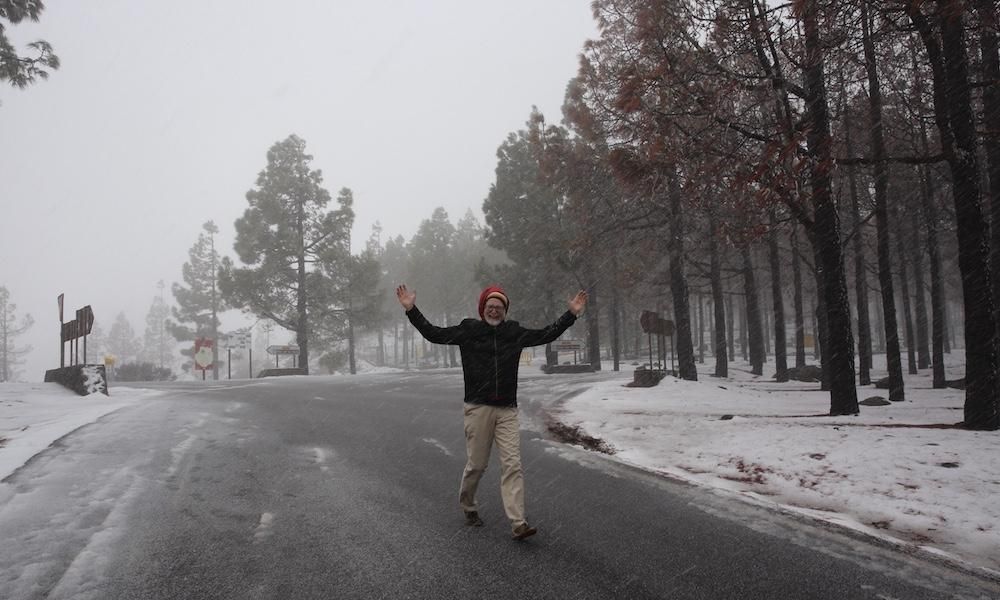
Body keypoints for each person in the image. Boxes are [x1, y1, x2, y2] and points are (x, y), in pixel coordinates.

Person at [395, 283, 588, 540]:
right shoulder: (469, 331)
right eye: (490, 306)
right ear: (482, 308)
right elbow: (434, 334)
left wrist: (571, 314)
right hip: (478, 407)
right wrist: (411, 310)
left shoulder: (514, 333)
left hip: (507, 409)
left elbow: (546, 335)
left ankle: (518, 522)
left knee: (513, 465)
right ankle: (468, 505)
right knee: (477, 465)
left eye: (499, 307)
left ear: (505, 311)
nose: (494, 311)